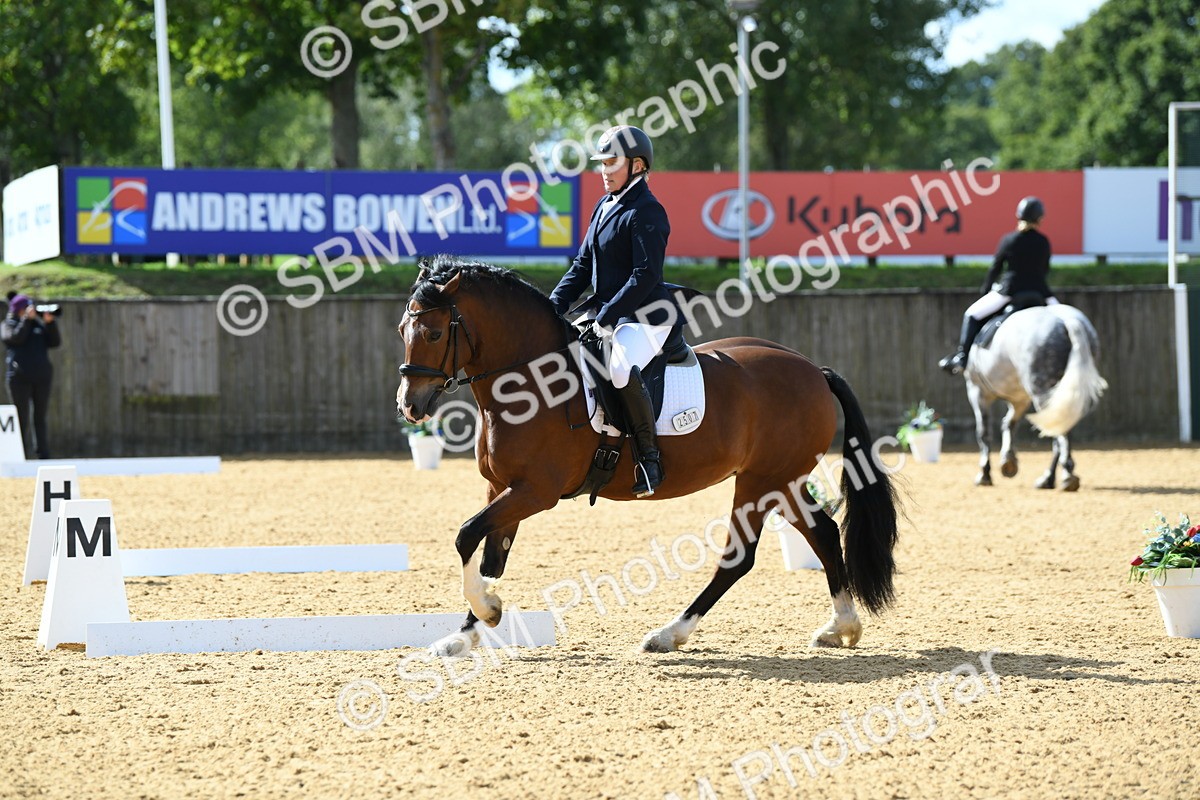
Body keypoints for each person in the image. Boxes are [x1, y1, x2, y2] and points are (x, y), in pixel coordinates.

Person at [549, 125, 682, 498]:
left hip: (646, 314)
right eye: (601, 163)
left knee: (621, 368)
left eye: (612, 162)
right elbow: (581, 265)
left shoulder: (647, 210)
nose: (604, 170)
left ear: (637, 165)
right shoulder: (605, 205)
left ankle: (649, 457)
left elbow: (645, 275)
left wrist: (606, 317)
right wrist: (551, 307)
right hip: (606, 311)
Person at [938, 196, 1059, 374]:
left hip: (1010, 291)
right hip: (1040, 292)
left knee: (972, 314)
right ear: (1040, 219)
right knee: (1065, 319)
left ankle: (962, 358)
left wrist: (985, 291)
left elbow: (995, 268)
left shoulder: (1009, 240)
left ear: (1018, 217)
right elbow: (1045, 269)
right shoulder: (1044, 241)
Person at [2, 292, 61, 458]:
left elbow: (55, 342)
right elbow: (16, 338)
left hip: (41, 378)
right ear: (19, 309)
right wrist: (26, 320)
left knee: (40, 418)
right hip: (19, 379)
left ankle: (43, 455)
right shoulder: (8, 324)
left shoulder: (37, 325)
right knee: (21, 418)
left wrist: (50, 324)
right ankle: (20, 455)